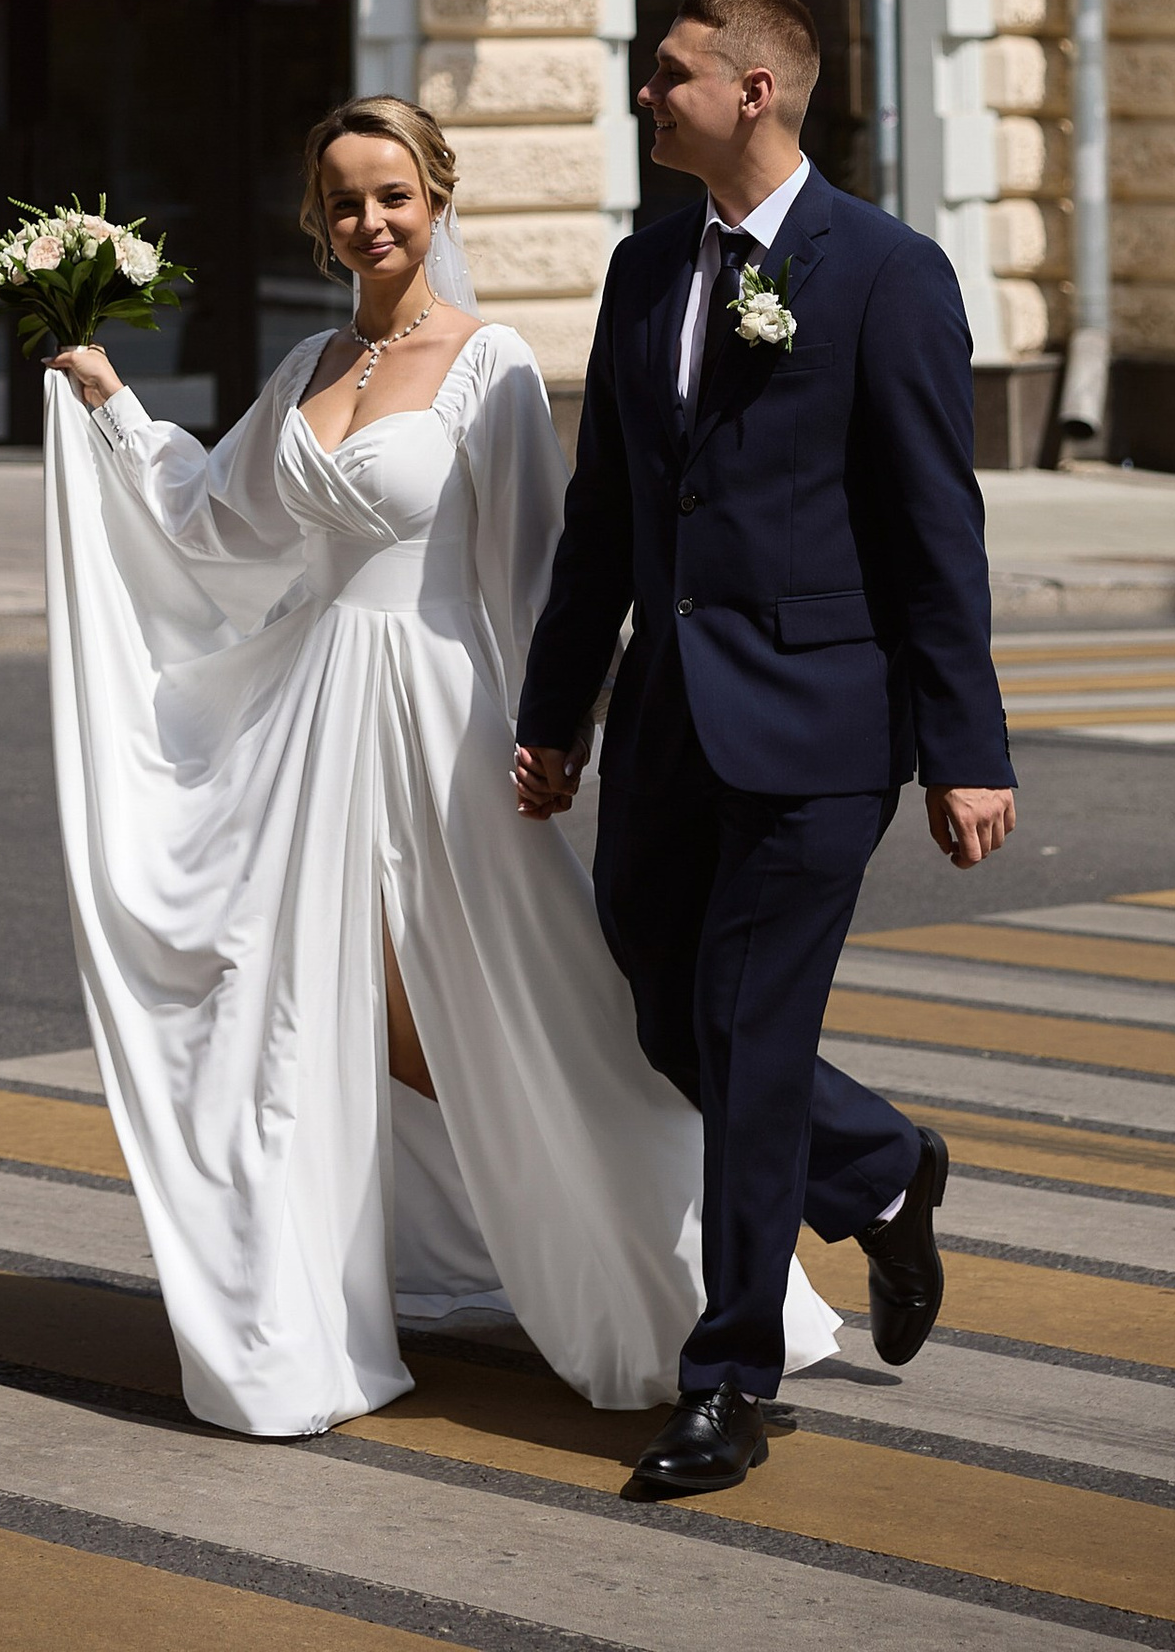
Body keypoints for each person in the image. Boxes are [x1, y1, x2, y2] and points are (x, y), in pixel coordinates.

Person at [45, 92, 838, 1441]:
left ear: (437, 200)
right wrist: (111, 403)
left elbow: (535, 567)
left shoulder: (491, 362)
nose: (371, 221)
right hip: (308, 720)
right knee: (301, 1012)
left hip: (444, 717)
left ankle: (687, 1283)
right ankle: (300, 1317)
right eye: (345, 201)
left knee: (533, 1015)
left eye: (393, 195)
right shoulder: (306, 367)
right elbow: (214, 519)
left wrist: (555, 730)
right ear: (319, 221)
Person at [515, 0, 1015, 1504]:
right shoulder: (643, 267)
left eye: (668, 74)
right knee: (666, 1011)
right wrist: (556, 714)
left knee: (746, 1030)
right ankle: (880, 1171)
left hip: (824, 725)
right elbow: (607, 515)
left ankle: (728, 1375)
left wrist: (967, 747)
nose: (642, 94)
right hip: (671, 713)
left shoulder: (887, 272)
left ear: (754, 93)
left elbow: (936, 524)